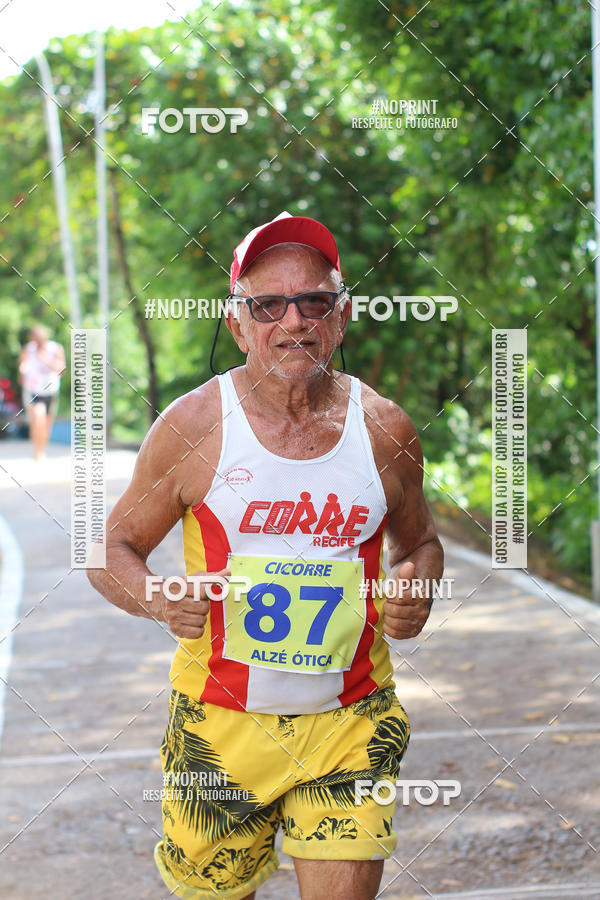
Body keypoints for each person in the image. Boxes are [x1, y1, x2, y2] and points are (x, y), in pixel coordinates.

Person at [88, 211, 444, 900]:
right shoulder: (192, 426)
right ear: (237, 323)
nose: (294, 320)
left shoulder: (385, 429)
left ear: (340, 317)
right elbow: (111, 546)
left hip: (350, 721)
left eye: (315, 300)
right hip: (218, 728)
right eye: (268, 304)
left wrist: (416, 592)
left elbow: (421, 542)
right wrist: (157, 597)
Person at [18, 325, 65, 461]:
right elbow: (22, 366)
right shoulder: (28, 349)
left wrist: (43, 357)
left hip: (51, 390)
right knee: (37, 418)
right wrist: (23, 371)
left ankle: (41, 448)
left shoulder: (55, 348)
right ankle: (37, 451)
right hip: (33, 390)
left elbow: (61, 371)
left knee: (46, 424)